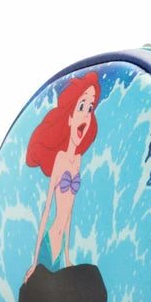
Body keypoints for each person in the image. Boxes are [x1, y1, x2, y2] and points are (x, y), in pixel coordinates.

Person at [24, 72, 101, 281]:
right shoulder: (60, 159)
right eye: (81, 106)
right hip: (50, 240)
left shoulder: (78, 161)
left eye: (90, 108)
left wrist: (67, 257)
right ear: (69, 118)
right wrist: (34, 263)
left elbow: (69, 213)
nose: (86, 115)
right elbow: (47, 210)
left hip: (61, 241)